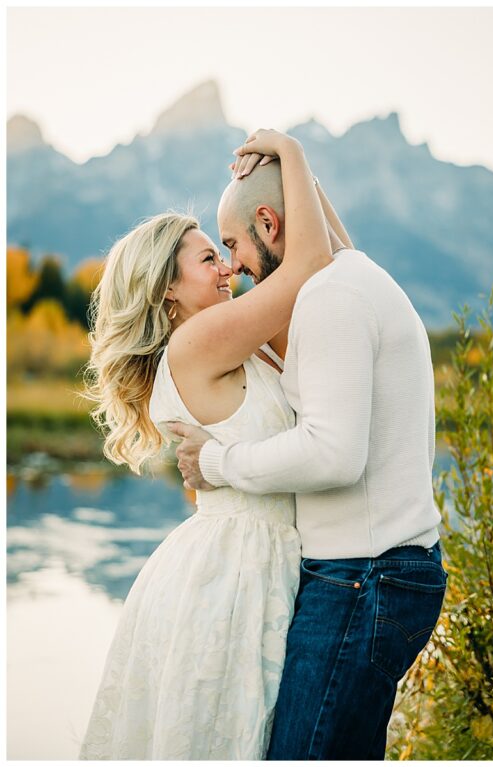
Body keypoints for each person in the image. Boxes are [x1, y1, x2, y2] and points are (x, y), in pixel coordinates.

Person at [170, 130, 446, 760]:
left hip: (361, 579)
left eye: (234, 243)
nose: (232, 264)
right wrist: (293, 163)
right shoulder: (353, 275)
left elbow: (332, 454)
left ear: (269, 222)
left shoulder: (330, 298)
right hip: (379, 572)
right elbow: (318, 243)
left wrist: (218, 462)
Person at [80, 129, 341, 758]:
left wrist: (294, 181)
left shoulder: (235, 340)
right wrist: (291, 152)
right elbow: (311, 267)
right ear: (167, 288)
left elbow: (335, 268)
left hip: (266, 556)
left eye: (221, 252)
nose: (227, 265)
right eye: (207, 258)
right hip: (232, 573)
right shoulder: (196, 344)